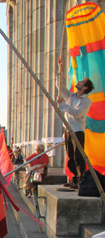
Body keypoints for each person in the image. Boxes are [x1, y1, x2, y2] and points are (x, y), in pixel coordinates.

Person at [57, 57, 94, 189]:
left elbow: (78, 113)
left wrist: (63, 105)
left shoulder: (86, 101)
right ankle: (74, 179)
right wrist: (60, 69)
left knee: (78, 156)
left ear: (85, 88)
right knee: (70, 155)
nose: (78, 82)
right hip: (68, 129)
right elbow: (59, 87)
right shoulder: (72, 96)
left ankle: (80, 180)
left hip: (77, 130)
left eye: (81, 82)